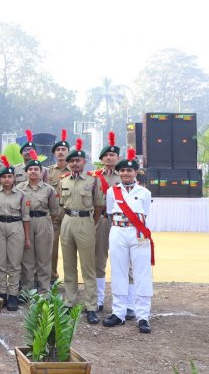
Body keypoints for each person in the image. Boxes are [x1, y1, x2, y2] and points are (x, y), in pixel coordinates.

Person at [102, 148, 154, 334]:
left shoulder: (145, 192)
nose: (125, 173)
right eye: (122, 170)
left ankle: (143, 316)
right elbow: (110, 212)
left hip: (138, 233)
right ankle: (119, 313)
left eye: (129, 171)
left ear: (135, 172)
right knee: (118, 271)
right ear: (118, 172)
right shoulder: (111, 191)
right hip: (117, 231)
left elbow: (146, 214)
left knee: (141, 273)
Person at [59, 139, 102, 324]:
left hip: (85, 221)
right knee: (68, 265)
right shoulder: (64, 181)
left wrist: (92, 223)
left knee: (88, 266)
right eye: (72, 161)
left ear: (84, 162)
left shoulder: (93, 180)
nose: (75, 163)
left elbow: (99, 205)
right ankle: (69, 301)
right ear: (68, 164)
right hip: (67, 220)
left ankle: (91, 306)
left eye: (78, 160)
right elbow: (62, 203)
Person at [0, 157, 30, 311]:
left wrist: (27, 237)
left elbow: (25, 217)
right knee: (0, 263)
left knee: (15, 264)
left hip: (15, 227)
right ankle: (2, 294)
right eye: (4, 177)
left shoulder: (22, 195)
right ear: (0, 179)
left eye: (9, 176)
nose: (7, 179)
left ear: (13, 178)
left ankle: (13, 295)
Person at [17, 150, 59, 295]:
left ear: (41, 172)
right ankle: (27, 291)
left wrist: (45, 222)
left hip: (43, 222)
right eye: (30, 169)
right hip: (25, 223)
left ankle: (44, 291)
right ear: (26, 172)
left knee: (44, 258)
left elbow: (54, 211)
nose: (33, 171)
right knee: (27, 259)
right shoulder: (19, 189)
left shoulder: (49, 190)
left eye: (36, 169)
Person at [91, 131, 121, 312]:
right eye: (106, 155)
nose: (109, 158)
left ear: (118, 158)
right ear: (102, 159)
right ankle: (99, 299)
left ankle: (123, 300)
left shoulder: (124, 177)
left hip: (120, 222)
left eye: (113, 155)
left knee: (121, 261)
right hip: (101, 221)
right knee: (99, 260)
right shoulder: (93, 176)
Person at [47, 130, 70, 285]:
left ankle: (70, 279)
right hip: (54, 216)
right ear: (55, 154)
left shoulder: (74, 171)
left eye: (63, 150)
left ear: (68, 152)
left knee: (69, 249)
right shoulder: (48, 171)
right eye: (58, 150)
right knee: (52, 249)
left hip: (69, 215)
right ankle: (52, 277)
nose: (61, 152)